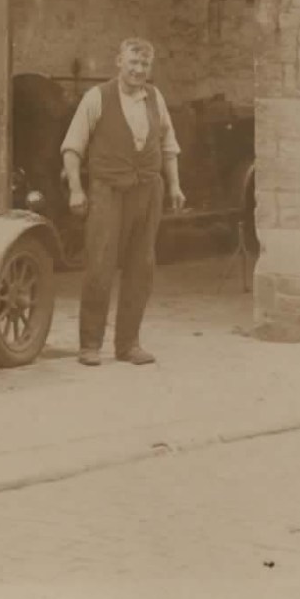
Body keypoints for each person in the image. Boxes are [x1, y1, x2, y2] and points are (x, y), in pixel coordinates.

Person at [61, 38, 186, 366]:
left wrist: (174, 185)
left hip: (147, 191)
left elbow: (169, 145)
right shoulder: (96, 98)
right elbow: (72, 147)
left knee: (141, 267)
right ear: (119, 62)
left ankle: (129, 344)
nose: (138, 70)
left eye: (144, 64)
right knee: (100, 265)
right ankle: (90, 344)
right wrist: (76, 189)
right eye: (132, 62)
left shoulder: (155, 98)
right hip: (108, 192)